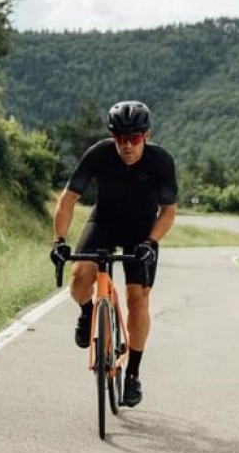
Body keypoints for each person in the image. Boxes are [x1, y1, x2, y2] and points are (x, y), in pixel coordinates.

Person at [50, 100, 178, 408]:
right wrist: (59, 240)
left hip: (141, 232)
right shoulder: (99, 154)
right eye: (120, 138)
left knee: (138, 300)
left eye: (133, 138)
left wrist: (151, 241)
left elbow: (168, 211)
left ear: (146, 136)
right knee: (80, 279)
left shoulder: (161, 162)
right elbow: (67, 199)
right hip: (104, 224)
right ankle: (87, 313)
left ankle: (133, 374)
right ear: (113, 136)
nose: (127, 145)